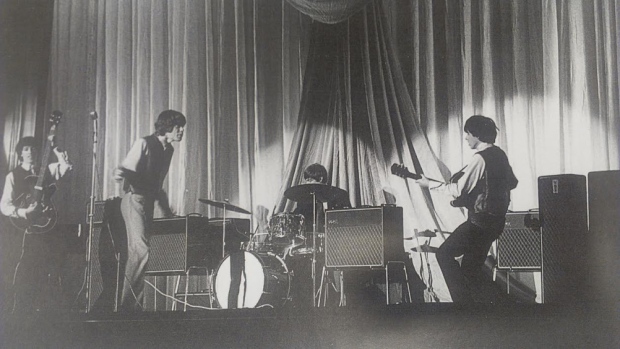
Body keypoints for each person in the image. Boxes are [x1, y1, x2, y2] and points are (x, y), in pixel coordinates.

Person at [415, 115, 518, 303]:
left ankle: (462, 308)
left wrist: (428, 183)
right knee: (470, 270)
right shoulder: (499, 154)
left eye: (468, 133)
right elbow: (512, 182)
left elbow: (457, 190)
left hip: (480, 222)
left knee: (444, 254)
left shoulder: (480, 159)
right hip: (496, 222)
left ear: (477, 134)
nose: (466, 138)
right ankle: (502, 305)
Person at [113, 110, 186, 311]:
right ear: (167, 127)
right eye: (178, 127)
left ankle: (133, 307)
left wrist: (167, 212)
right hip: (133, 200)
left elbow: (157, 184)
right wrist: (122, 174)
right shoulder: (143, 143)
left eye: (182, 128)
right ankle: (128, 309)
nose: (181, 131)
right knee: (140, 249)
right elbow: (123, 170)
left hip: (148, 203)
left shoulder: (168, 150)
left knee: (142, 252)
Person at [0, 136, 73, 312]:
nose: (30, 152)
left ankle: (43, 310)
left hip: (46, 228)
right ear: (20, 153)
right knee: (22, 268)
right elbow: (4, 205)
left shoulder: (46, 170)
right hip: (21, 231)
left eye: (33, 149)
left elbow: (67, 167)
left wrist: (55, 147)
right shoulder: (13, 175)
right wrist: (24, 212)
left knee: (47, 266)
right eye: (26, 149)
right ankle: (17, 310)